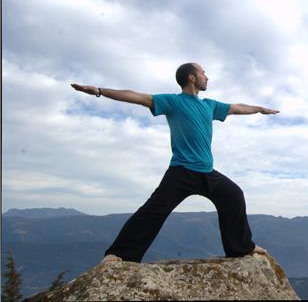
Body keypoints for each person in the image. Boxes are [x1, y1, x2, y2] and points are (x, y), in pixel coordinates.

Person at [70, 62, 279, 264]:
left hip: (207, 172)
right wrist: (99, 90)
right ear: (191, 77)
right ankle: (120, 254)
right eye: (203, 73)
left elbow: (237, 108)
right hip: (181, 171)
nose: (207, 77)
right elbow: (137, 96)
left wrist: (259, 108)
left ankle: (242, 247)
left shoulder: (210, 105)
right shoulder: (173, 101)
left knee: (233, 195)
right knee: (153, 211)